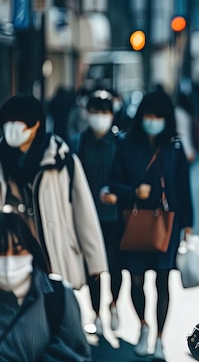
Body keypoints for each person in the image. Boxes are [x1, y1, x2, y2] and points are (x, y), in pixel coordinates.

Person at [108, 90, 193, 361]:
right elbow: (113, 183)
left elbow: (182, 187)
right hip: (134, 221)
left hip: (167, 222)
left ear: (166, 119)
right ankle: (144, 327)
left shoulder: (174, 146)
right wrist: (134, 192)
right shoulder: (125, 143)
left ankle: (158, 338)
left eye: (158, 116)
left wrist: (188, 223)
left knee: (163, 280)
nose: (152, 120)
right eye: (148, 115)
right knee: (134, 280)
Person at [0, 94, 108, 289]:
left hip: (54, 253)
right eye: (7, 122)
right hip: (10, 257)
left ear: (36, 124)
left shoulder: (61, 160)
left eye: (17, 123)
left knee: (54, 309)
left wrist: (95, 262)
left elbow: (83, 211)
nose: (12, 128)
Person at [0, 209, 91, 361]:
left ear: (31, 251)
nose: (8, 261)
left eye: (18, 251)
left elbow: (76, 353)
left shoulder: (57, 297)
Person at [70, 90, 123, 336]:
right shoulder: (78, 143)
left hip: (116, 216)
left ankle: (112, 304)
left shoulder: (120, 143)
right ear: (87, 113)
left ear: (112, 114)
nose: (99, 117)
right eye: (95, 112)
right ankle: (96, 313)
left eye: (104, 112)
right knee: (93, 268)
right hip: (87, 217)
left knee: (115, 266)